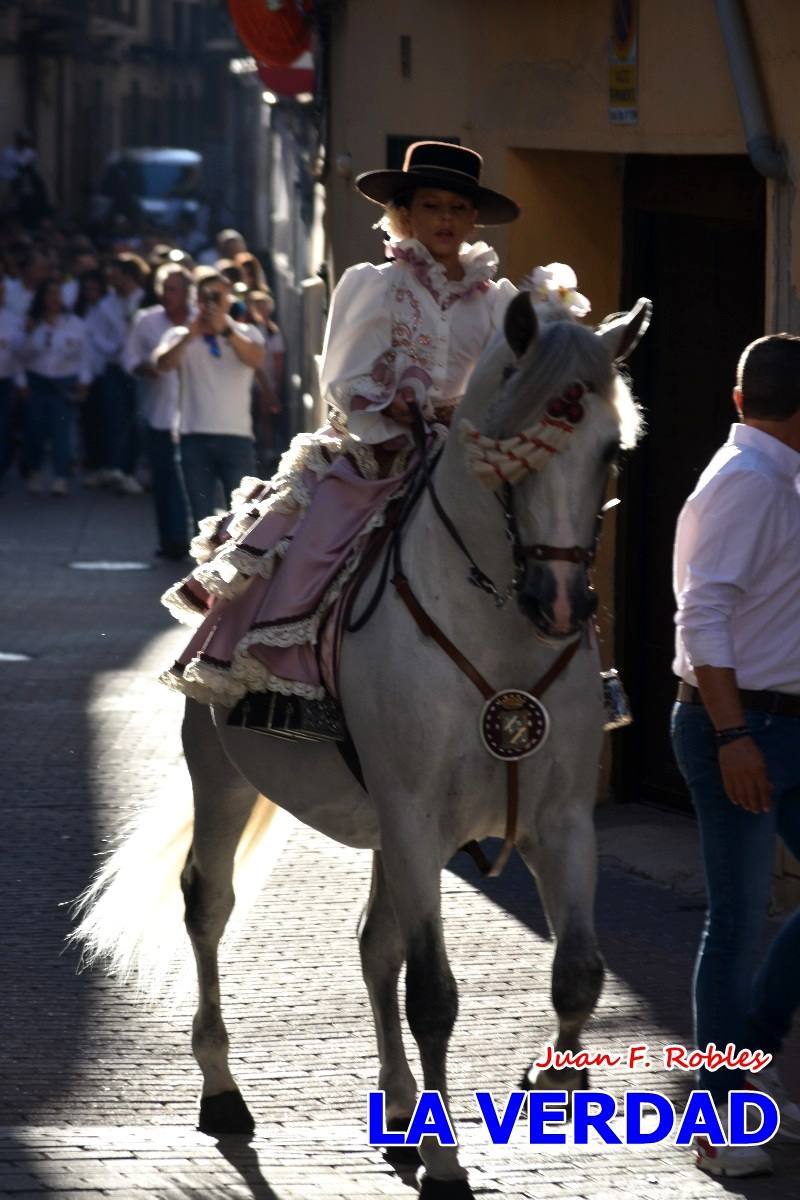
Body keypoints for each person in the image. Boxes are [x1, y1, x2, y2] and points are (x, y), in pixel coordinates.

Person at [159, 141, 520, 717]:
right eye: (432, 206)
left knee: (545, 546)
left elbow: (511, 379)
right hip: (382, 454)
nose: (447, 219)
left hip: (468, 456)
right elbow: (343, 379)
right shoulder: (375, 284)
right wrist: (399, 405)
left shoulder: (500, 300)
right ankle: (287, 689)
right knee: (315, 553)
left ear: (474, 219)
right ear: (405, 214)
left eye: (458, 208)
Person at [671, 333, 800, 1178]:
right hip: (741, 728)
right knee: (737, 915)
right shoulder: (746, 484)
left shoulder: (778, 476)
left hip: (780, 724)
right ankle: (723, 1121)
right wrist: (732, 738)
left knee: (746, 915)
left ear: (737, 397)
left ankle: (743, 1058)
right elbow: (700, 619)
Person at [154, 271, 264, 525]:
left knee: (243, 520)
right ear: (196, 301)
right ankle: (203, 565)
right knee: (200, 519)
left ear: (229, 300)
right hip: (194, 437)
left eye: (218, 296)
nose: (212, 303)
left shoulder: (246, 332)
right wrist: (190, 335)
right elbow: (162, 364)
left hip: (236, 438)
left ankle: (237, 566)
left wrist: (226, 331)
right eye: (206, 297)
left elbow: (255, 359)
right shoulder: (179, 335)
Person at [124, 263, 193, 560]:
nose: (167, 294)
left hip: (193, 415)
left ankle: (186, 538)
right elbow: (130, 356)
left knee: (187, 482)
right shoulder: (146, 320)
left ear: (187, 292)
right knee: (164, 481)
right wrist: (144, 368)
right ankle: (170, 539)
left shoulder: (200, 320)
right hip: (158, 413)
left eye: (173, 289)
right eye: (163, 288)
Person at [20, 278, 91, 495]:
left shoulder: (75, 323)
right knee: (35, 430)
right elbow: (20, 356)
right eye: (49, 294)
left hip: (63, 383)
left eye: (57, 295)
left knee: (62, 432)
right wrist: (32, 333)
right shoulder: (31, 323)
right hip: (38, 381)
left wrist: (84, 381)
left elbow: (85, 355)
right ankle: (34, 471)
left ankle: (61, 475)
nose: (53, 299)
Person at [94, 253, 150, 494]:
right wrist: (117, 346)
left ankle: (138, 469)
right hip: (116, 368)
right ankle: (118, 467)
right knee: (117, 418)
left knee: (141, 420)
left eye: (117, 277)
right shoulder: (106, 304)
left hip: (141, 370)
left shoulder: (146, 301)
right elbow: (98, 336)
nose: (113, 282)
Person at [0, 274, 25, 482]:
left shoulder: (13, 318)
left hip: (4, 381)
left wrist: (21, 382)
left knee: (3, 429)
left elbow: (19, 354)